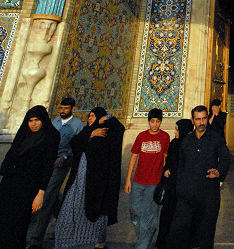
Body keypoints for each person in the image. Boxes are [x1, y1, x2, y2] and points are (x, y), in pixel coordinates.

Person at [54, 106, 125, 249]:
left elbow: (120, 128)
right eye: (89, 116)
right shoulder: (86, 132)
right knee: (70, 208)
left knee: (96, 212)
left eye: (93, 116)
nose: (90, 118)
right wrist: (91, 134)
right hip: (79, 181)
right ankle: (68, 240)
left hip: (97, 182)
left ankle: (98, 242)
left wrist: (108, 117)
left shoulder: (108, 133)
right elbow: (75, 143)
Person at [167, 105, 230, 249]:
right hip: (187, 195)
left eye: (204, 119)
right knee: (179, 232)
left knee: (206, 234)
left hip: (208, 195)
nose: (201, 122)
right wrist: (180, 190)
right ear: (192, 120)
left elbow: (225, 158)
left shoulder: (216, 138)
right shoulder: (187, 141)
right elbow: (181, 166)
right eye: (198, 119)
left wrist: (219, 172)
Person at [26, 96, 84, 249]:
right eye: (61, 108)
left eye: (65, 108)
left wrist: (64, 156)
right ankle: (63, 227)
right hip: (48, 161)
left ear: (72, 109)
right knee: (53, 197)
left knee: (46, 197)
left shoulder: (78, 125)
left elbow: (78, 146)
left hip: (62, 163)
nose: (62, 111)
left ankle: (35, 239)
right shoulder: (55, 121)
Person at [0, 105, 60, 248]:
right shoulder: (24, 133)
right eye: (30, 120)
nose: (33, 124)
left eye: (37, 120)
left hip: (29, 186)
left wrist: (41, 193)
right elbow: (12, 154)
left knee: (19, 222)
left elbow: (47, 166)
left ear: (43, 120)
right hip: (10, 182)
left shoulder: (51, 135)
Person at [125, 108, 170, 249]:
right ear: (148, 122)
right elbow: (133, 157)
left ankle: (142, 246)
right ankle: (143, 240)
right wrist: (128, 179)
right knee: (135, 212)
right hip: (138, 181)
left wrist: (164, 180)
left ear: (161, 122)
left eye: (157, 122)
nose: (155, 125)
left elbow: (165, 158)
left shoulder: (165, 137)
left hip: (154, 182)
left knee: (149, 215)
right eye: (152, 122)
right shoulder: (141, 136)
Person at [156, 118, 193, 249]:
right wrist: (165, 170)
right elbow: (168, 161)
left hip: (182, 188)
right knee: (167, 216)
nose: (175, 132)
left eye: (177, 129)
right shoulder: (174, 143)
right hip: (171, 186)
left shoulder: (190, 145)